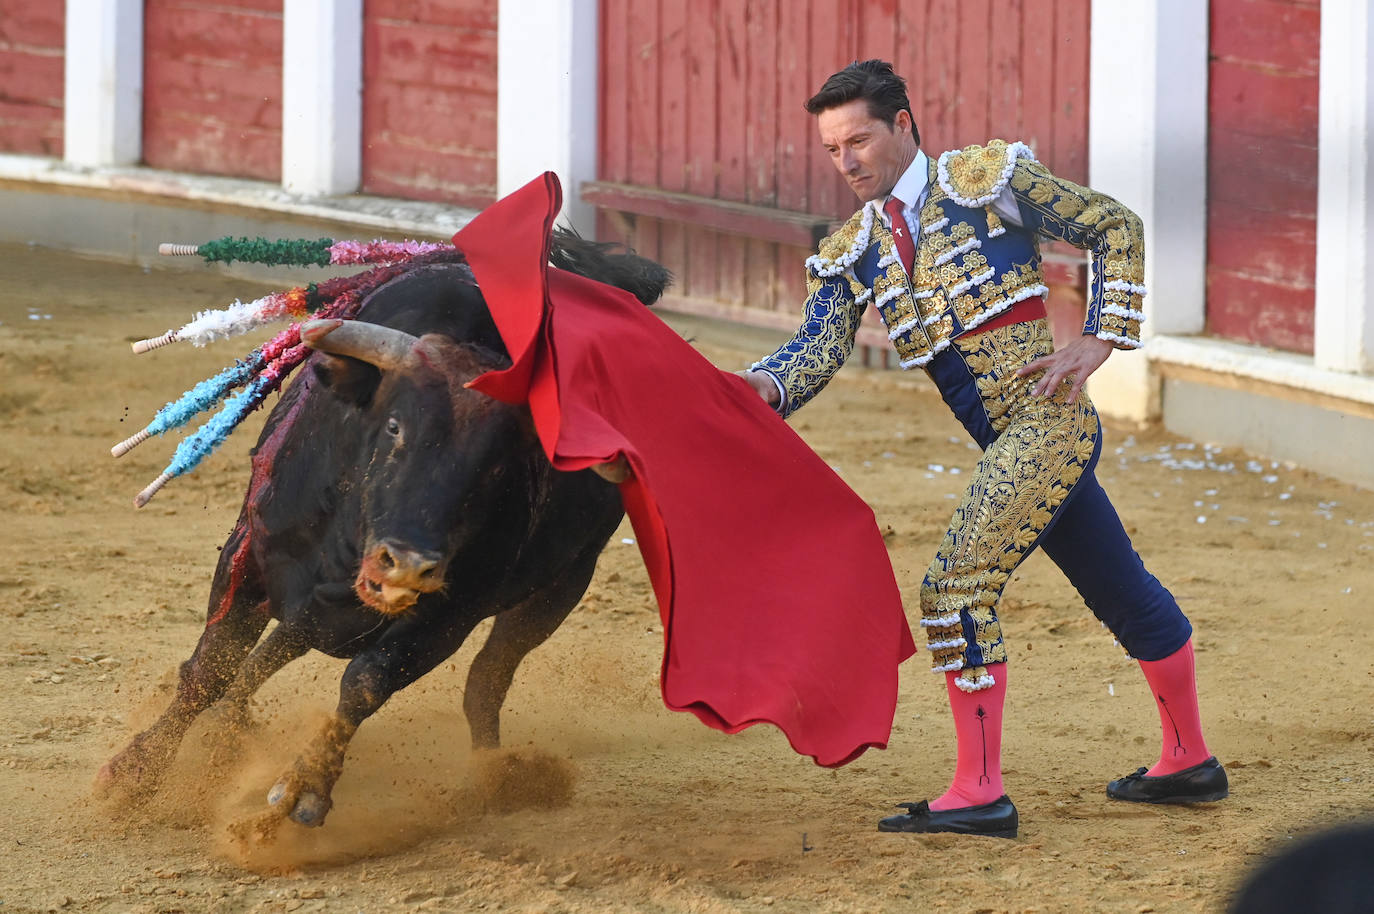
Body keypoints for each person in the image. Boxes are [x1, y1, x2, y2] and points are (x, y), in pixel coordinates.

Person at [739, 59, 1227, 838]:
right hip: (1008, 441)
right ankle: (1190, 761)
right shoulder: (853, 247)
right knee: (1121, 587)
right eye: (832, 151)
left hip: (1048, 424)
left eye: (858, 141)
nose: (847, 163)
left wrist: (1100, 338)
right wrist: (752, 388)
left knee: (955, 588)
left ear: (903, 124)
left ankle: (979, 791)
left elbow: (1114, 224)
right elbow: (815, 349)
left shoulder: (983, 181)